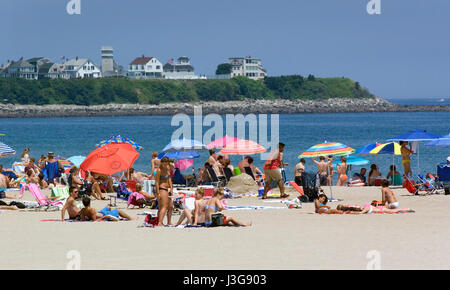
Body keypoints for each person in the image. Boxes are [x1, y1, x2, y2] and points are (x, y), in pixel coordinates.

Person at [155, 157, 174, 226]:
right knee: (164, 206)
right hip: (161, 188)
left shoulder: (167, 168)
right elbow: (156, 182)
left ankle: (168, 222)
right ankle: (160, 222)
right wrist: (157, 193)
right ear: (161, 163)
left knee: (170, 206)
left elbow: (169, 179)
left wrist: (171, 188)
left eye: (166, 163)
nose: (165, 165)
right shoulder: (159, 170)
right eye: (164, 163)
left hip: (167, 189)